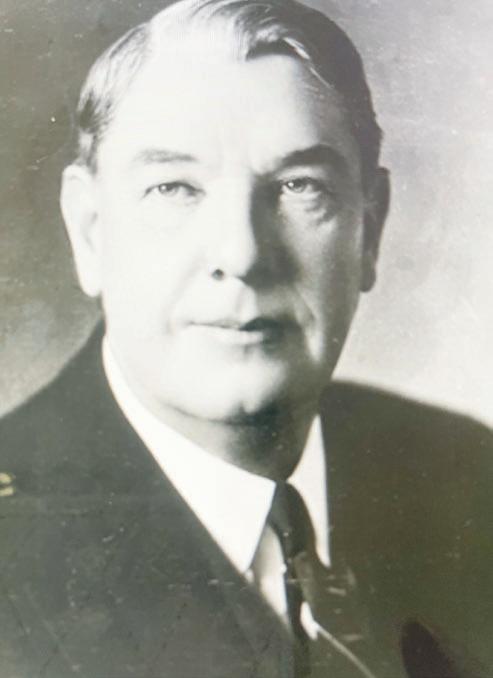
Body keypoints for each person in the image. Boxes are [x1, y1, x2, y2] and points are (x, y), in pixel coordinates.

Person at [1, 0, 492, 676]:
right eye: (174, 188)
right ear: (90, 231)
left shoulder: (468, 474)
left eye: (299, 186)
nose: (242, 252)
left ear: (369, 230)